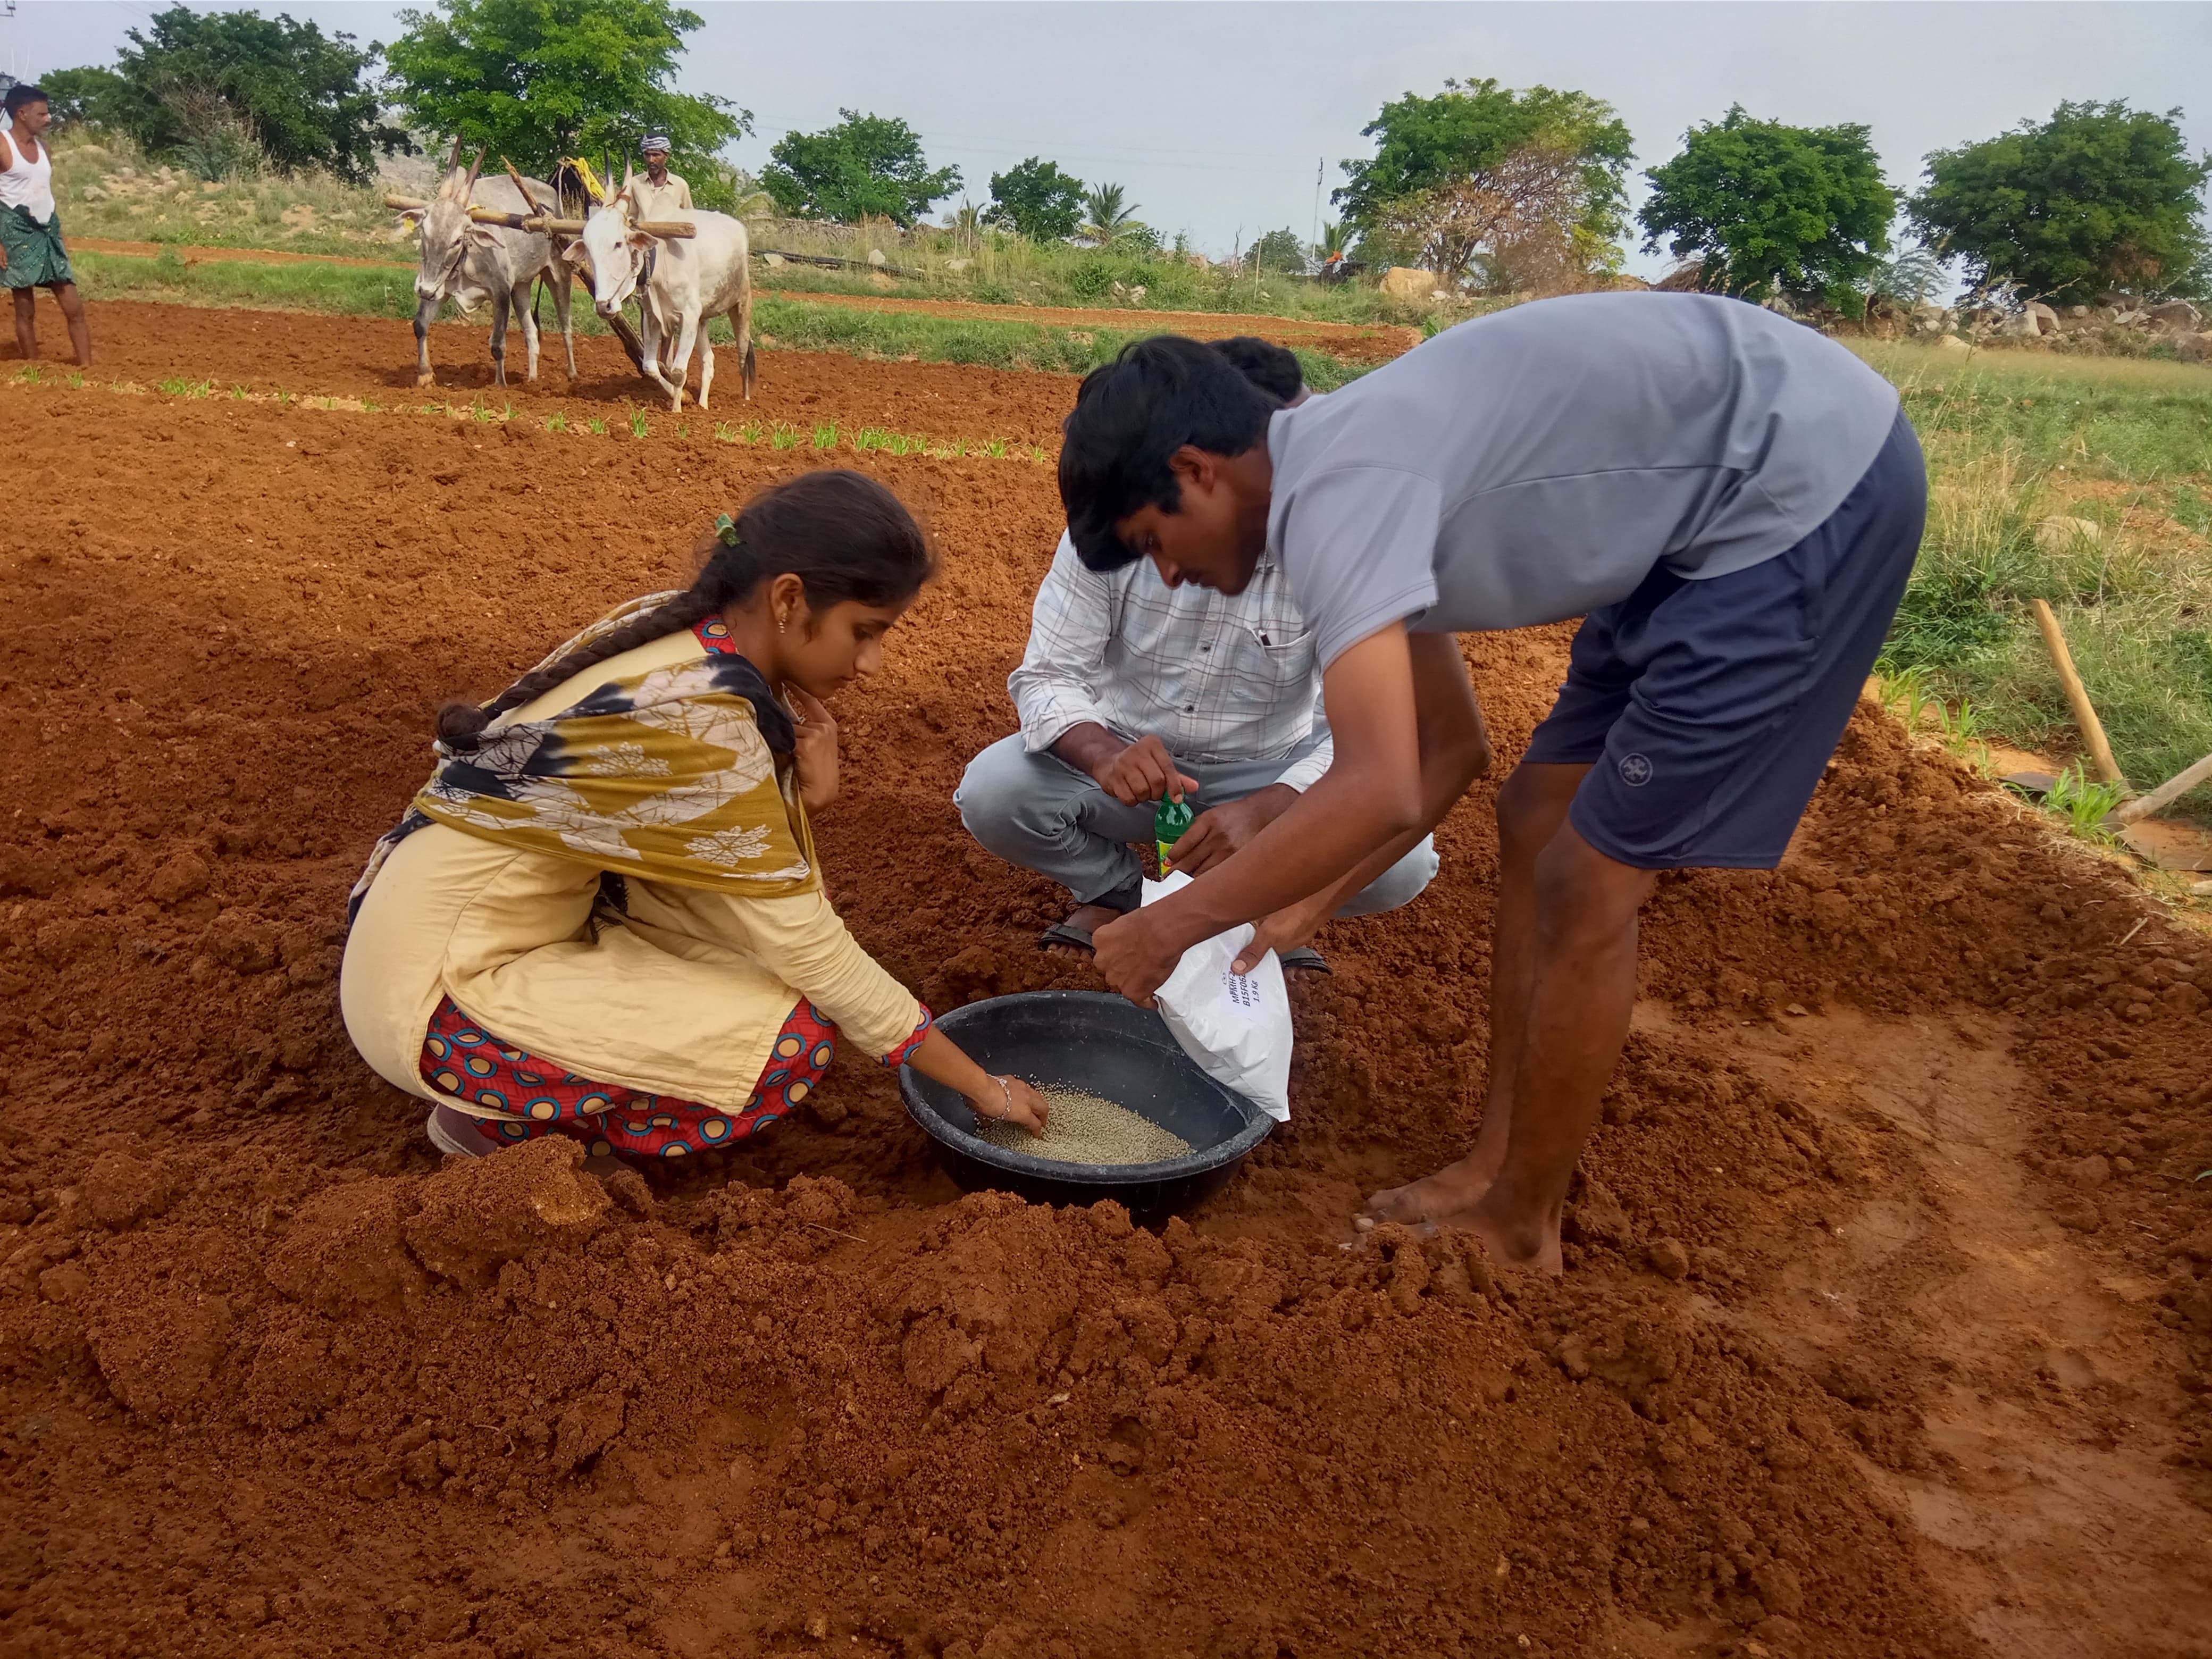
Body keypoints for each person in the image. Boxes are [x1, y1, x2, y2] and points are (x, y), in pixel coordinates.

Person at [1055, 294, 1925, 1271]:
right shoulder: (1343, 470)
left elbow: (1381, 784)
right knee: (1536, 816)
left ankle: (1521, 1222)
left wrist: (1172, 926)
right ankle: (1494, 1165)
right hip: (1690, 528)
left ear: (1195, 471)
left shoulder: (1339, 493)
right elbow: (1450, 750)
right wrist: (1305, 909)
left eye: (1151, 542)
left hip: (1797, 488)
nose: (1167, 576)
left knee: (1589, 878)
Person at [341, 470, 1049, 1163]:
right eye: (863, 632)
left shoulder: (687, 636)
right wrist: (984, 1090)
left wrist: (804, 801)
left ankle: (527, 1090)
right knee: (790, 1042)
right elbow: (813, 950)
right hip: (438, 999)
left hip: (439, 930)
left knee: (760, 958)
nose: (872, 663)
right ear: (788, 598)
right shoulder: (704, 725)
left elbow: (736, 871)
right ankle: (508, 1130)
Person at [957, 337, 1440, 968]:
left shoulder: (1343, 542)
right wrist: (1104, 754)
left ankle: (1256, 908)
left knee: (1403, 861)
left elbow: (1367, 740)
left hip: (1269, 768)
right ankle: (1118, 892)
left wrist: (1273, 807)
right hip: (1136, 767)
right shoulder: (1116, 521)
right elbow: (1048, 674)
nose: (1165, 570)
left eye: (1156, 540)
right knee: (995, 793)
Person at [1, 83, 92, 368]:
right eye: (41, 114)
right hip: (16, 232)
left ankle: (88, 368)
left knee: (74, 306)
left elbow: (44, 193)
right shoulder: (2, 145)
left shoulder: (45, 149)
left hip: (48, 231)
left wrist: (58, 234)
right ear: (22, 114)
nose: (48, 118)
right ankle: (33, 368)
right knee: (25, 308)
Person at [630, 135, 692, 221]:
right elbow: (631, 216)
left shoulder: (680, 185)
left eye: (656, 155)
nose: (651, 160)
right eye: (647, 155)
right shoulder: (635, 183)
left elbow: (689, 218)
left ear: (666, 156)